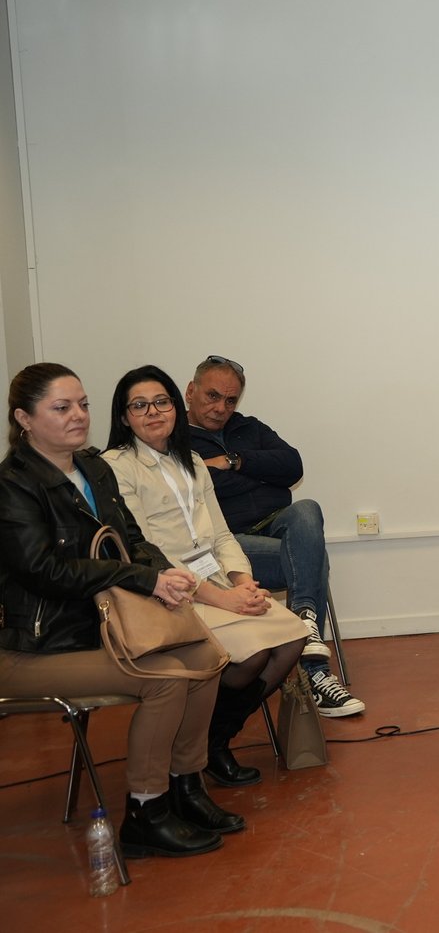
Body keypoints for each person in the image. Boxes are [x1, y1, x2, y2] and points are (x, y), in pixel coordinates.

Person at [0, 363, 243, 857]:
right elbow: (46, 571)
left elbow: (131, 540)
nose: (78, 415)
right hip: (36, 647)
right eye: (61, 407)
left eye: (83, 404)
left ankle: (186, 785)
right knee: (165, 680)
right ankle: (146, 812)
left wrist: (166, 574)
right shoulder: (13, 485)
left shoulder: (94, 469)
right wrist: (143, 579)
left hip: (102, 628)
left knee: (206, 657)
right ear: (24, 419)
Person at [104, 365, 309, 787]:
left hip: (216, 581)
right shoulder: (116, 467)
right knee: (253, 656)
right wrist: (223, 599)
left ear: (175, 407)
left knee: (293, 638)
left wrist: (242, 582)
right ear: (124, 416)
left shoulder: (193, 461)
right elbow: (146, 553)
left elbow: (221, 535)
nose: (153, 412)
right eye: (139, 405)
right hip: (168, 592)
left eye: (161, 403)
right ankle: (200, 750)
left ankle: (214, 741)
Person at [185, 355, 365, 717]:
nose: (221, 408)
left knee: (307, 509)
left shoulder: (248, 427)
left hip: (275, 523)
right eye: (212, 396)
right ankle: (315, 671)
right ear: (191, 391)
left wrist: (233, 462)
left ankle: (304, 621)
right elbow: (194, 488)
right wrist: (261, 475)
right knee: (312, 561)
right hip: (229, 543)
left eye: (230, 400)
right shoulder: (174, 439)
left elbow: (292, 465)